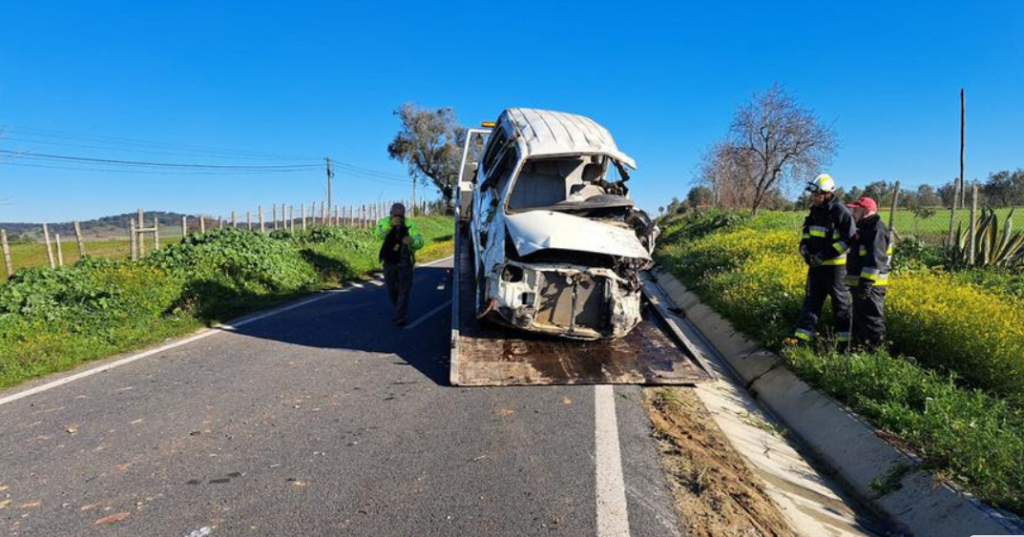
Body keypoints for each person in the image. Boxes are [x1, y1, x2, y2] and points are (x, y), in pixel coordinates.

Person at [794, 174, 857, 346]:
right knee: (811, 301)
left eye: (817, 195)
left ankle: (844, 344)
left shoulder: (840, 212)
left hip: (835, 269)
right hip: (815, 267)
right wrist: (805, 250)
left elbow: (848, 240)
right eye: (813, 195)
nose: (813, 198)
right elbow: (806, 233)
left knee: (841, 305)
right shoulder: (815, 211)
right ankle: (803, 341)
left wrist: (825, 255)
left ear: (827, 194)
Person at [845, 197, 892, 350]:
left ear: (865, 211)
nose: (853, 212)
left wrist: (865, 286)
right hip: (862, 286)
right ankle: (863, 349)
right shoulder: (863, 229)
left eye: (855, 209)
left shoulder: (876, 228)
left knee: (872, 321)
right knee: (861, 320)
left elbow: (875, 260)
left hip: (871, 287)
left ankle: (878, 353)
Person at [374, 203, 425, 326]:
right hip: (389, 262)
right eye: (394, 214)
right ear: (390, 213)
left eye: (400, 215)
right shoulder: (385, 222)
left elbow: (420, 241)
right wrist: (389, 226)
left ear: (404, 215)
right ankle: (399, 310)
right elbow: (378, 234)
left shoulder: (410, 225)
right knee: (392, 290)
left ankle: (400, 316)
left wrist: (412, 241)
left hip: (405, 262)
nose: (397, 217)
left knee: (404, 290)